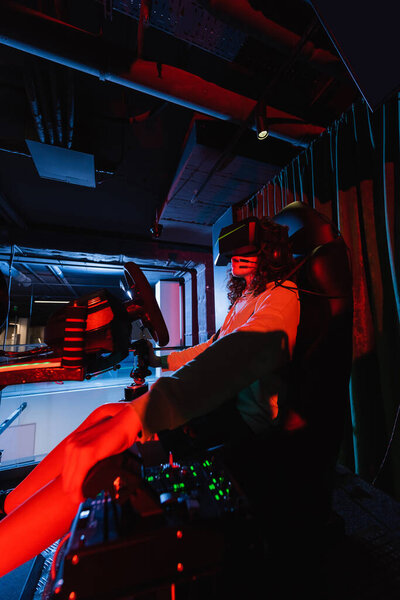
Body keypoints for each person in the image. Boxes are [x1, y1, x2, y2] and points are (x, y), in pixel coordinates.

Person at [0, 217, 301, 577]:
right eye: (235, 250)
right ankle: (11, 505)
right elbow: (212, 347)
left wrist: (137, 418)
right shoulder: (249, 297)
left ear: (272, 252)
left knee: (112, 456)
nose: (238, 257)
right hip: (218, 408)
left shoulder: (283, 299)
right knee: (104, 415)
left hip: (239, 422)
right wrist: (161, 359)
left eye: (247, 249)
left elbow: (233, 357)